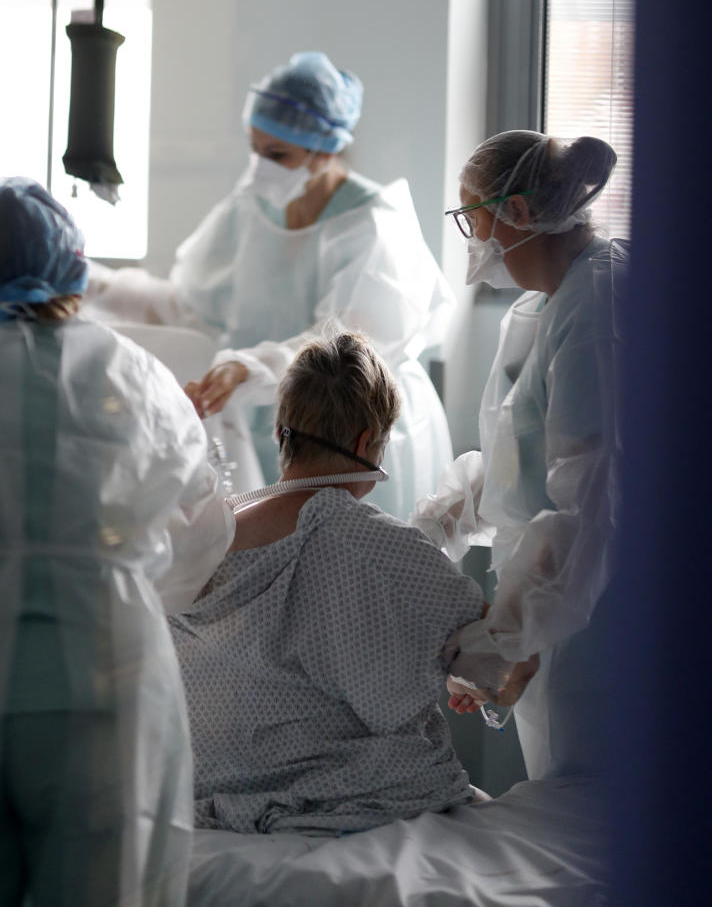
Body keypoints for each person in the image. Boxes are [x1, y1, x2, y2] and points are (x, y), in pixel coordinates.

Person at [0, 178, 233, 907]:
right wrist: (133, 578)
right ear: (74, 265)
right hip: (107, 660)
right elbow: (206, 529)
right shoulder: (139, 379)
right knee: (105, 876)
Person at [89, 51, 455, 518]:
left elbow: (348, 352)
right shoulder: (253, 207)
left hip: (354, 434)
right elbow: (187, 305)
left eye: (278, 154)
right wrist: (91, 285)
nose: (261, 166)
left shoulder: (372, 225)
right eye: (255, 149)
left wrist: (249, 369)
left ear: (324, 149)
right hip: (275, 425)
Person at [170, 331, 484, 834]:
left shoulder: (210, 527)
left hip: (209, 796)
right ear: (366, 443)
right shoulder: (359, 537)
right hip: (344, 799)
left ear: (282, 432)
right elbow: (486, 649)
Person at [412, 131, 627, 780]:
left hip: (598, 634)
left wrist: (502, 642)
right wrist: (429, 533)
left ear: (520, 212)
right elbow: (516, 462)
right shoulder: (537, 309)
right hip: (553, 627)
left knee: (587, 833)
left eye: (471, 216)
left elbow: (588, 512)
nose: (471, 237)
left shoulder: (600, 309)